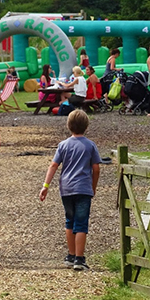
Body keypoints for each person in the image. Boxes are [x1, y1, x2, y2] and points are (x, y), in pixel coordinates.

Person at [38, 109, 101, 271]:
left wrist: (45, 186)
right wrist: (93, 187)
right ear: (86, 127)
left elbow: (53, 165)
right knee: (81, 223)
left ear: (69, 126)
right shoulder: (90, 145)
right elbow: (96, 168)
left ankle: (71, 255)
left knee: (69, 221)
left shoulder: (63, 145)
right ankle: (79, 259)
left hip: (66, 188)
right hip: (83, 189)